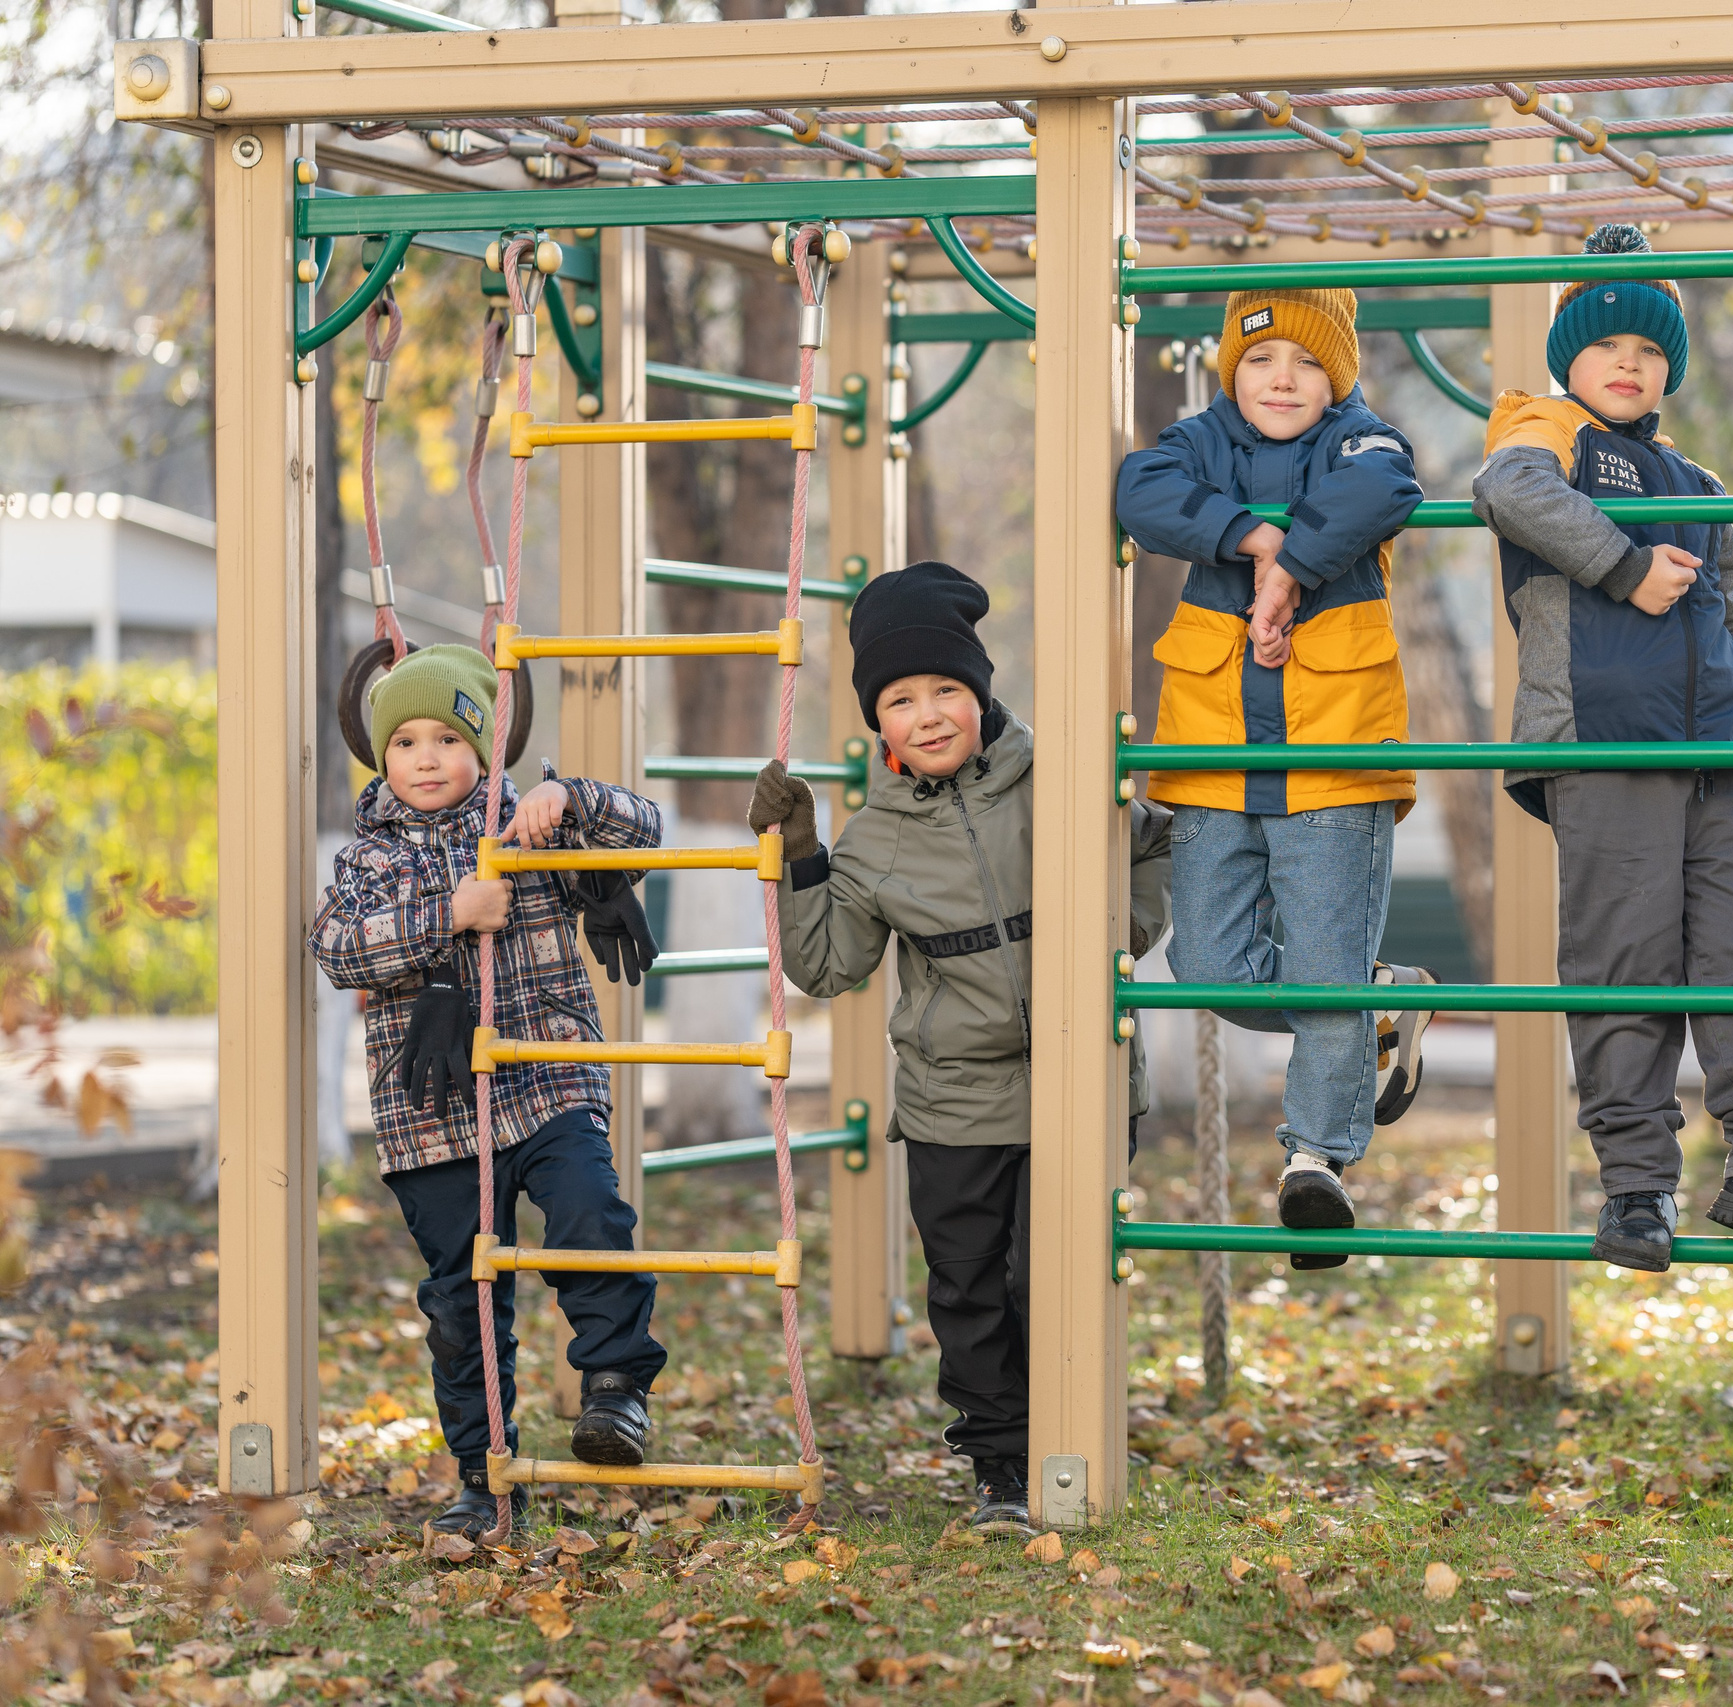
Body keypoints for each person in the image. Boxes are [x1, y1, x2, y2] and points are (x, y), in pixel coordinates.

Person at [1470, 224, 1733, 1270]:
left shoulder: (1700, 487)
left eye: (1650, 352)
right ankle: (1636, 1188)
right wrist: (1617, 563)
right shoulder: (1541, 429)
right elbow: (1506, 494)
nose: (1627, 364)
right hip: (1606, 747)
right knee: (1628, 964)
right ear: (1569, 356)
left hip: (1720, 759)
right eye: (1608, 344)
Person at [751, 562, 1172, 1535]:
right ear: (877, 723)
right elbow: (824, 965)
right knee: (972, 1286)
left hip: (1083, 1078)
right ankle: (999, 1464)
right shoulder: (877, 838)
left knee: (1053, 1268)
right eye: (901, 699)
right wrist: (803, 859)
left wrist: (1123, 931)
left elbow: (1152, 844)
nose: (928, 714)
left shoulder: (1061, 779)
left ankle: (1074, 1427)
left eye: (947, 689)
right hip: (955, 1100)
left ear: (980, 693)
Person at [311, 643, 667, 1539]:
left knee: (591, 1215)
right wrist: (450, 915)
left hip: (546, 1073)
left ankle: (616, 1387)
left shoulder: (526, 825)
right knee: (462, 1298)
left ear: (486, 746)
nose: (425, 759)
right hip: (431, 1115)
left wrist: (573, 797)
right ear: (381, 756)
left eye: (446, 738)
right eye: (405, 743)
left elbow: (645, 830)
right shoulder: (368, 859)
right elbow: (337, 947)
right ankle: (482, 1470)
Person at [1115, 287, 1437, 1273]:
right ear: (1230, 372)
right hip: (1215, 753)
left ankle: (1316, 1162)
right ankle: (1379, 998)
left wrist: (1294, 566)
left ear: (1335, 374)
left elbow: (1384, 492)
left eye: (1303, 363)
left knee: (1326, 961)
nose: (1281, 379)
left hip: (1336, 750)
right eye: (1259, 362)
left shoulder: (1360, 438)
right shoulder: (1200, 438)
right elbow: (1139, 490)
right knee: (1205, 965)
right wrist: (1253, 539)